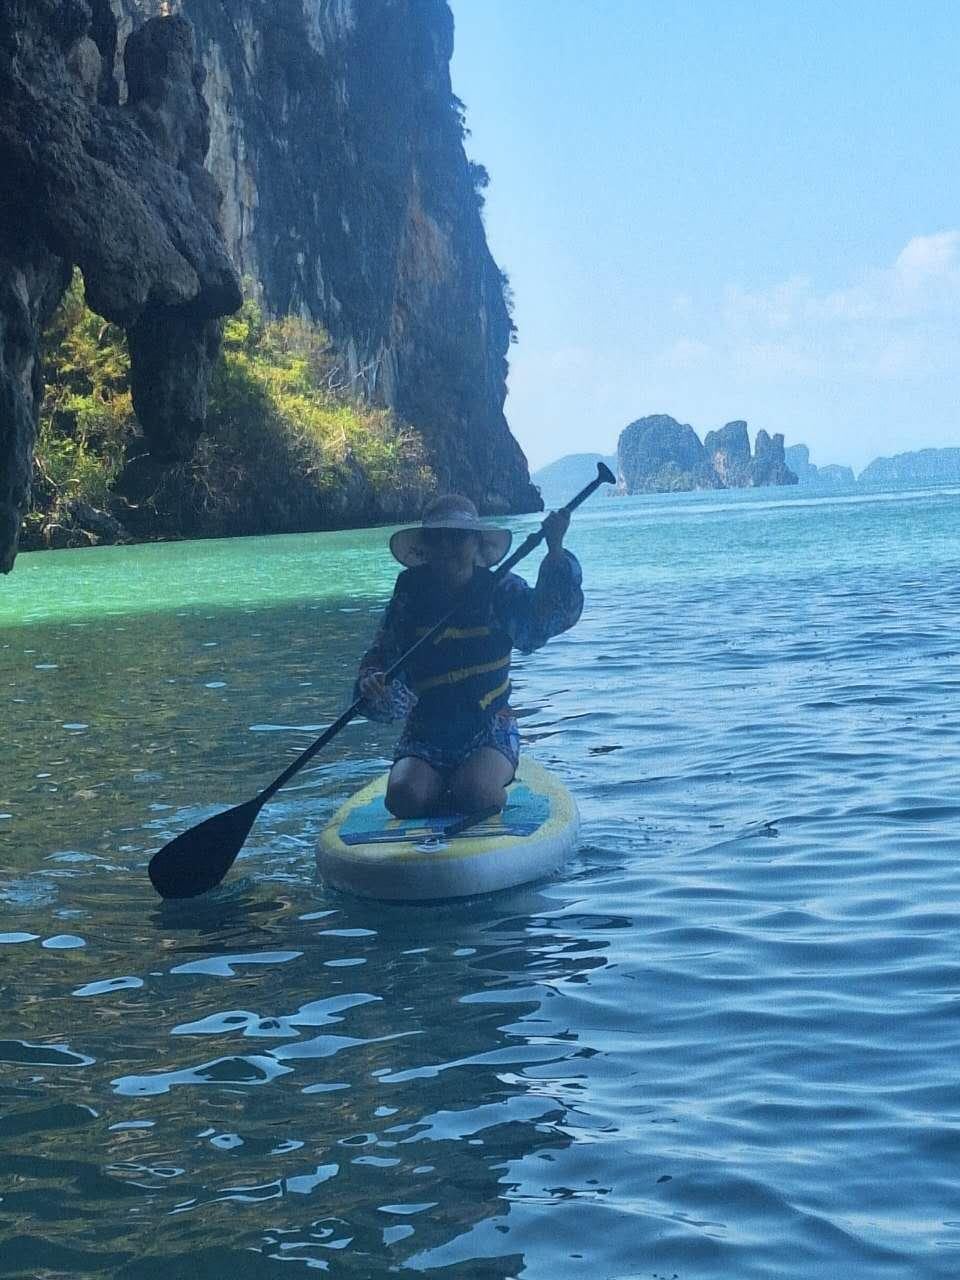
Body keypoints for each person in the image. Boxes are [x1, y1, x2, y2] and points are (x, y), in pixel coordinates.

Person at [356, 493, 583, 818]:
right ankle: (440, 787)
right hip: (427, 729)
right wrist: (372, 683)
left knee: (476, 793)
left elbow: (543, 624)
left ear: (476, 544)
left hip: (490, 724)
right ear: (425, 547)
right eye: (437, 538)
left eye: (458, 537)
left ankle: (478, 785)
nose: (446, 547)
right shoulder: (410, 593)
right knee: (404, 797)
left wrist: (555, 549)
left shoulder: (500, 589)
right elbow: (382, 655)